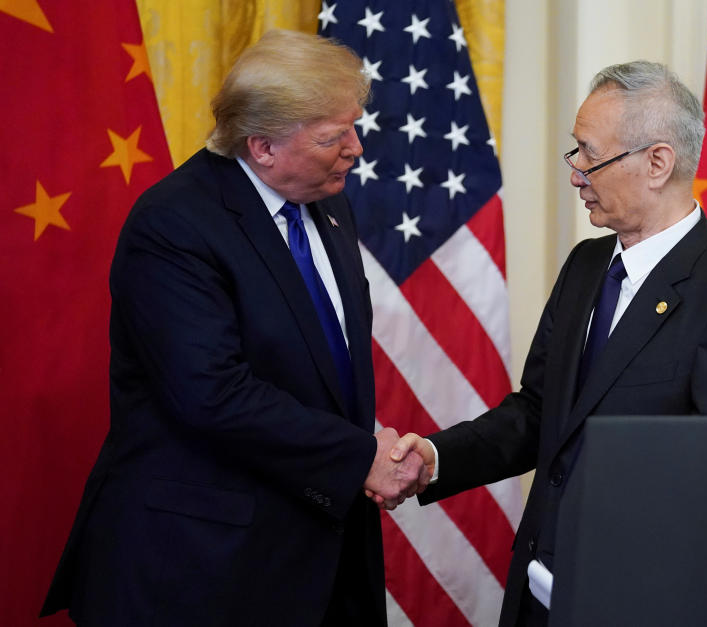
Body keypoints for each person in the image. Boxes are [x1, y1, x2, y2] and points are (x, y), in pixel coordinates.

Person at [40, 30, 429, 626]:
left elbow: (320, 365)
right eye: (333, 136)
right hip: (200, 568)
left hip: (318, 550)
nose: (356, 148)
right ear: (263, 146)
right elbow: (211, 394)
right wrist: (359, 457)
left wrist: (368, 445)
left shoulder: (328, 204)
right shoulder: (174, 224)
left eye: (354, 126)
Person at [383, 60, 707, 626]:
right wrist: (436, 456)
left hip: (637, 604)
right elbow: (540, 412)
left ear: (657, 163)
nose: (576, 173)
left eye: (590, 154)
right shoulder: (586, 265)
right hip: (538, 596)